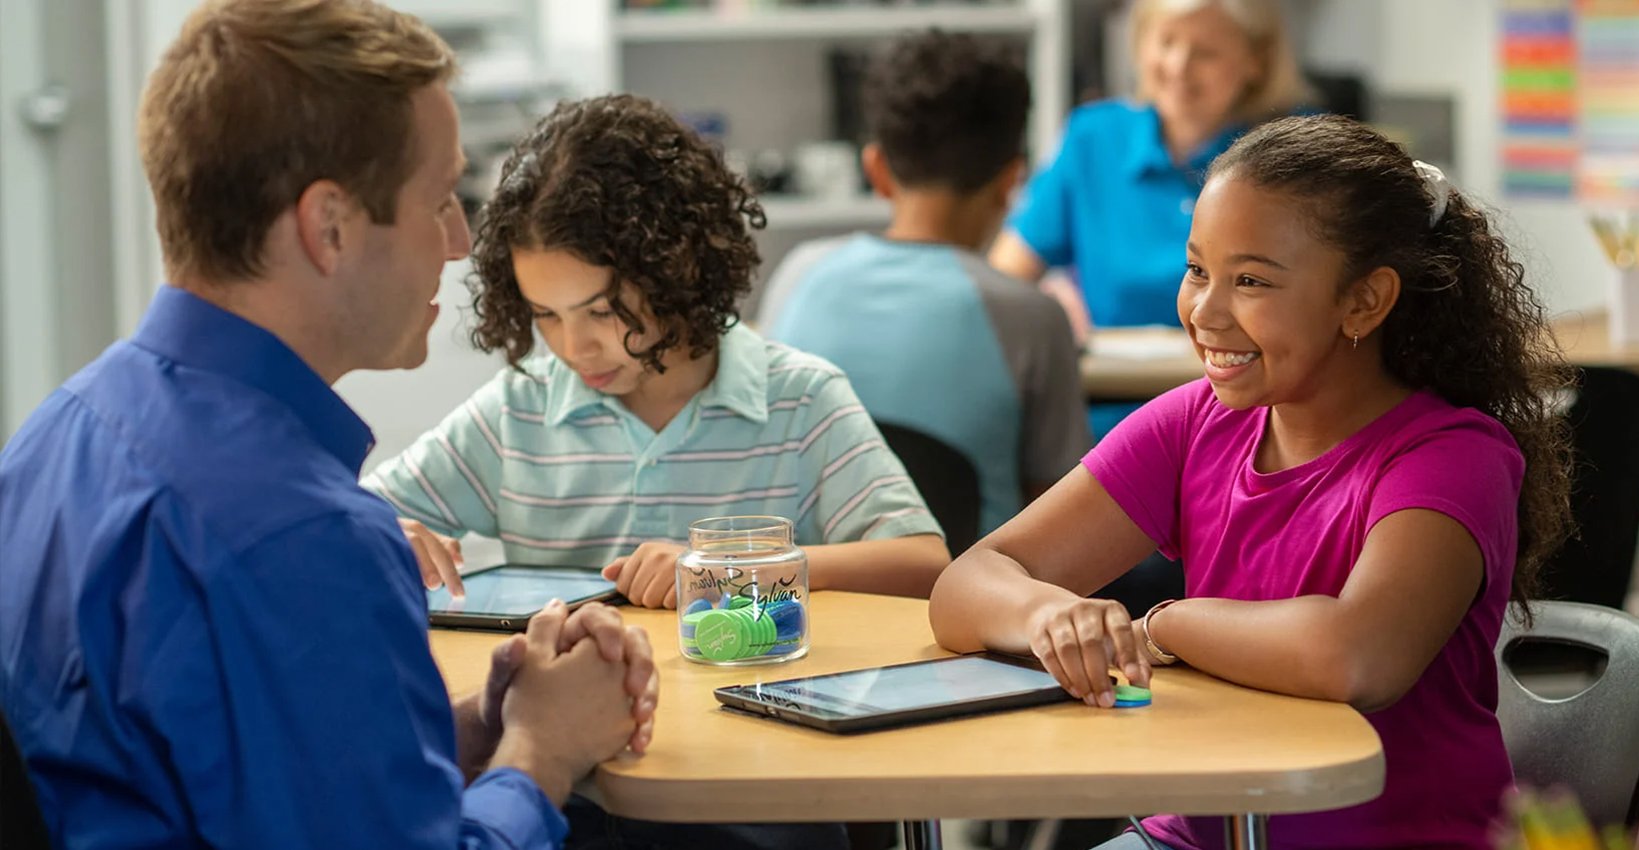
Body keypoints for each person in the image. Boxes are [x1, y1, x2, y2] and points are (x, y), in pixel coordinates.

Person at [0, 2, 657, 848]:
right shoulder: (300, 538)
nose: (460, 243)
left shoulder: (56, 435)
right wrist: (543, 754)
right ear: (330, 227)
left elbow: (249, 778)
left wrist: (494, 722)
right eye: (441, 199)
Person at [928, 115, 1574, 849]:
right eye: (1198, 269)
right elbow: (966, 584)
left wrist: (1163, 626)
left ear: (1364, 301)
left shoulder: (1452, 456)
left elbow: (1357, 656)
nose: (1204, 311)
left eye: (1252, 281)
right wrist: (1046, 615)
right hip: (1204, 835)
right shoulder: (1190, 424)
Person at [366, 95, 947, 611]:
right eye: (545, 314)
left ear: (676, 270)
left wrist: (734, 571)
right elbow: (352, 514)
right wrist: (382, 530)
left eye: (601, 311)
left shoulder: (800, 400)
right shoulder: (518, 409)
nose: (573, 348)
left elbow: (924, 566)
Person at [759, 30, 1091, 544]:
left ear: (876, 170)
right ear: (1012, 182)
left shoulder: (799, 274)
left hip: (807, 605)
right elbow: (1062, 519)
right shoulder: (1032, 317)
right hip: (969, 612)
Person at [989, 0, 1316, 340]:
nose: (1178, 66)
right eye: (1166, 42)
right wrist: (1046, 294)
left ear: (1257, 60)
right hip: (1113, 387)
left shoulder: (1297, 147)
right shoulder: (1094, 137)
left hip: (1253, 389)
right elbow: (1004, 277)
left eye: (1205, 52)